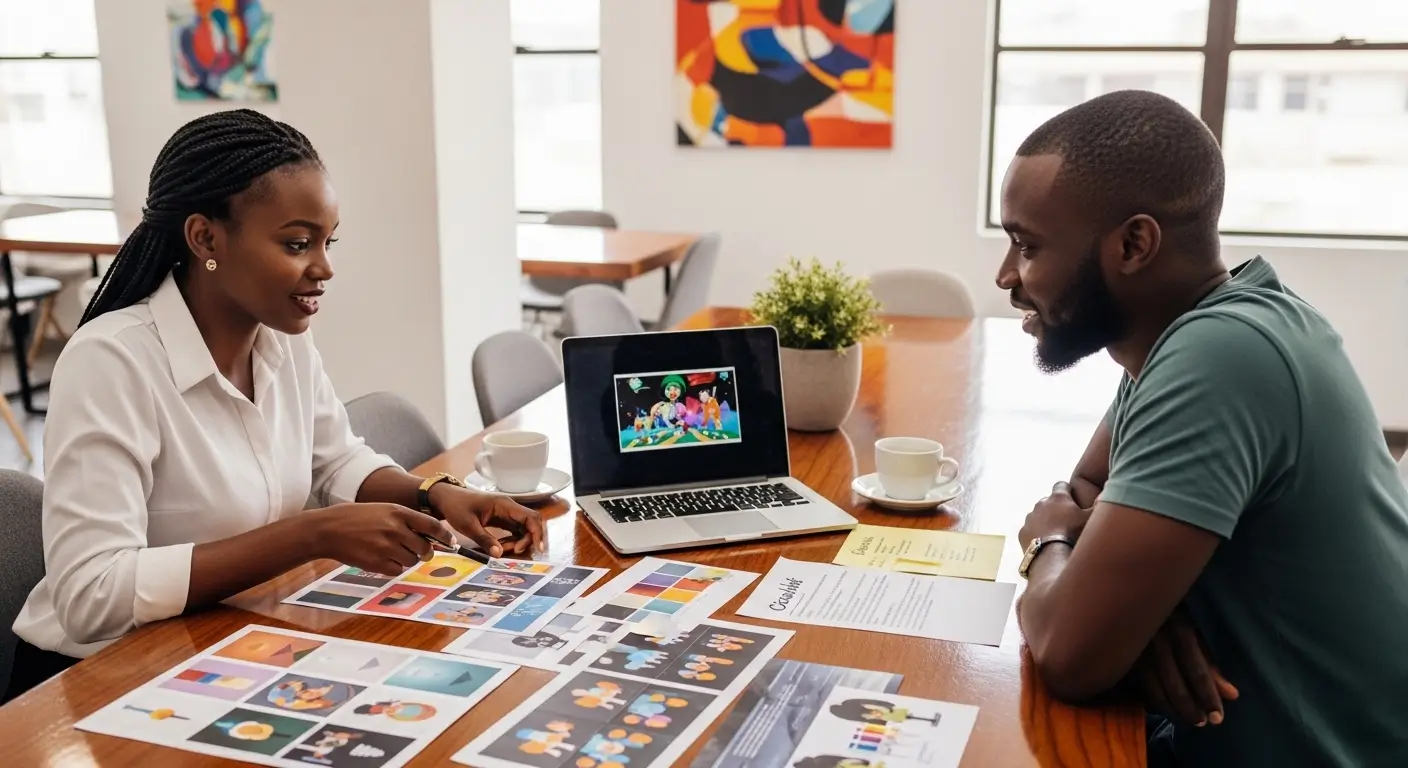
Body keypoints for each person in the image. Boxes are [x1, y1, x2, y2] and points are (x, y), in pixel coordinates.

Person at [3, 109, 545, 703]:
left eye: (328, 242)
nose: (325, 267)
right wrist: (310, 535)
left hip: (221, 644)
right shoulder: (110, 361)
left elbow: (336, 461)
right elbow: (90, 595)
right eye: (296, 244)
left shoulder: (283, 338)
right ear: (205, 238)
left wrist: (434, 493)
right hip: (97, 680)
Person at [996, 90, 1408, 766]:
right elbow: (1089, 484)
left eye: (1028, 245)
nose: (1006, 275)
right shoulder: (1193, 330)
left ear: (1134, 244)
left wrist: (1047, 545)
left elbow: (1070, 655)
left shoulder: (1221, 357)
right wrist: (1137, 612)